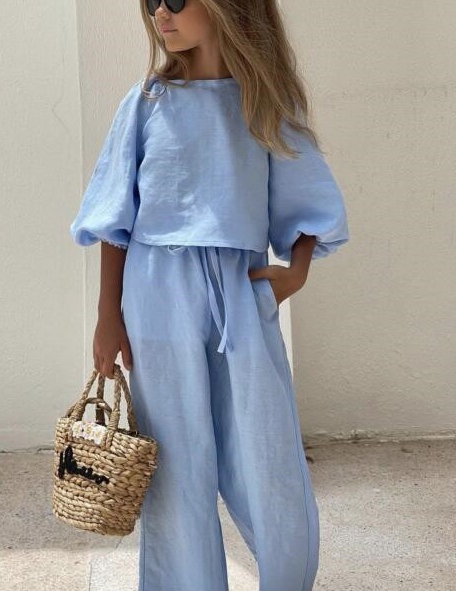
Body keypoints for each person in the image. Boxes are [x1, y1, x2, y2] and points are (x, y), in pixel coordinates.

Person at [69, 1, 350, 589]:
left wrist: (296, 272)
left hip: (240, 292)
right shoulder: (147, 102)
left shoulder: (266, 103)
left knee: (267, 451)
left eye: (175, 0)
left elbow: (309, 200)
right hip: (155, 292)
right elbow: (116, 221)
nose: (160, 14)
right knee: (175, 460)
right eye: (151, 3)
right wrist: (107, 317)